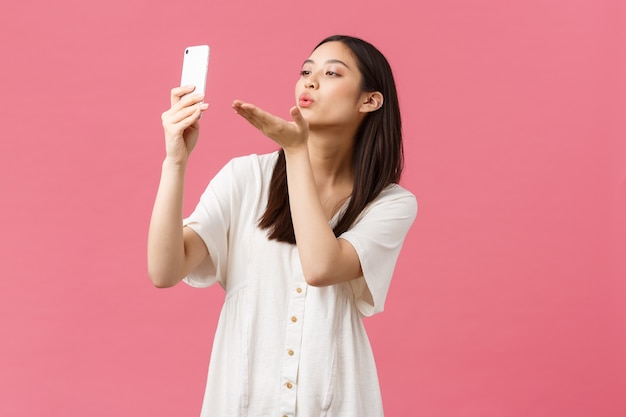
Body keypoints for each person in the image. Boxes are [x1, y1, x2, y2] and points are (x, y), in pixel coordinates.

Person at [148, 34, 417, 417]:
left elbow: (321, 267)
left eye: (331, 73)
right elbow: (164, 270)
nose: (310, 81)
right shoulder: (245, 178)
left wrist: (295, 153)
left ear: (369, 101)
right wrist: (174, 161)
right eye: (306, 71)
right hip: (242, 401)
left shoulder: (390, 203)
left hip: (336, 402)